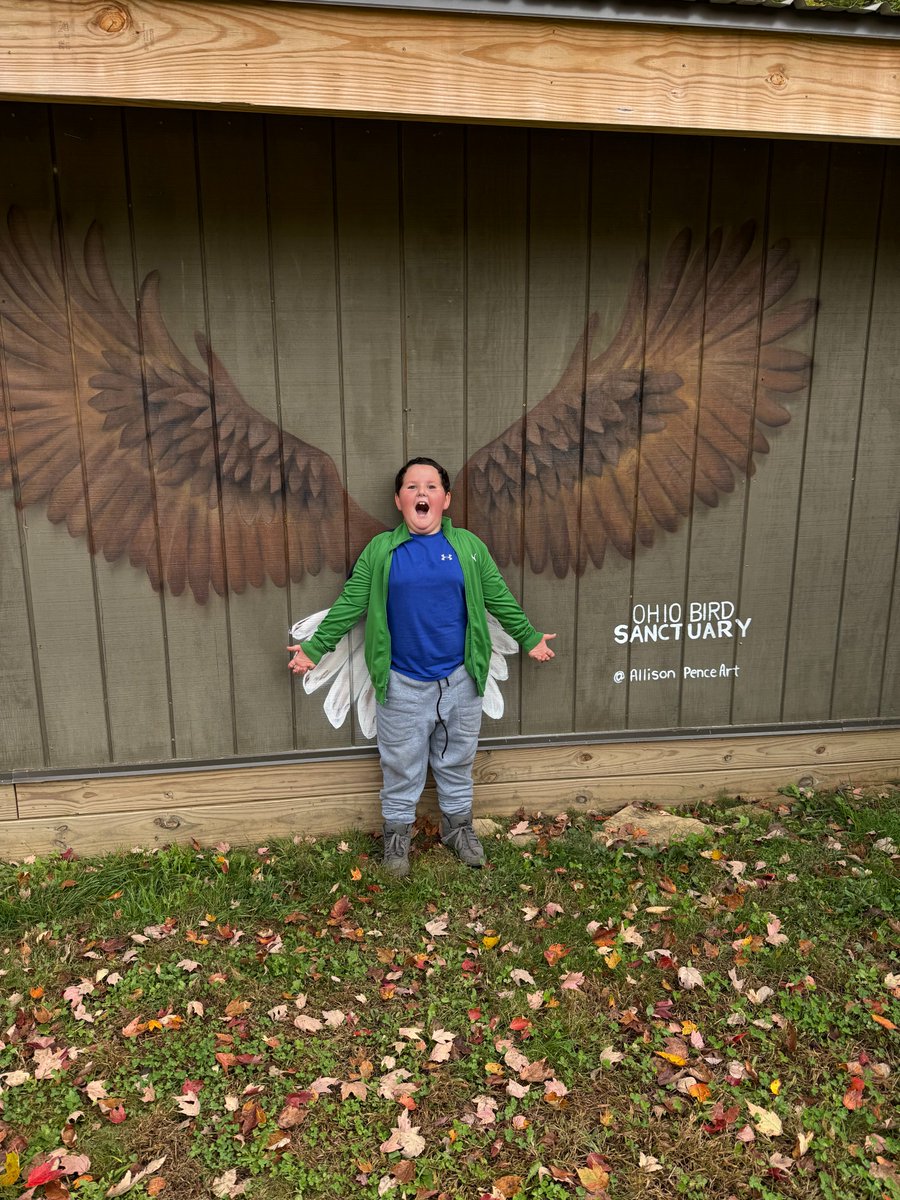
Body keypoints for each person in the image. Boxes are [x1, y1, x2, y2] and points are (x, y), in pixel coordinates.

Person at [287, 457, 556, 876]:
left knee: (457, 760)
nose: (421, 493)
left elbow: (498, 597)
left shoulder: (468, 547)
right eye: (412, 487)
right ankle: (397, 838)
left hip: (461, 680)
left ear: (445, 499)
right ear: (399, 500)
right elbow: (351, 603)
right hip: (402, 683)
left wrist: (529, 637)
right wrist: (314, 648)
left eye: (431, 486)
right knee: (400, 765)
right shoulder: (382, 550)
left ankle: (458, 829)